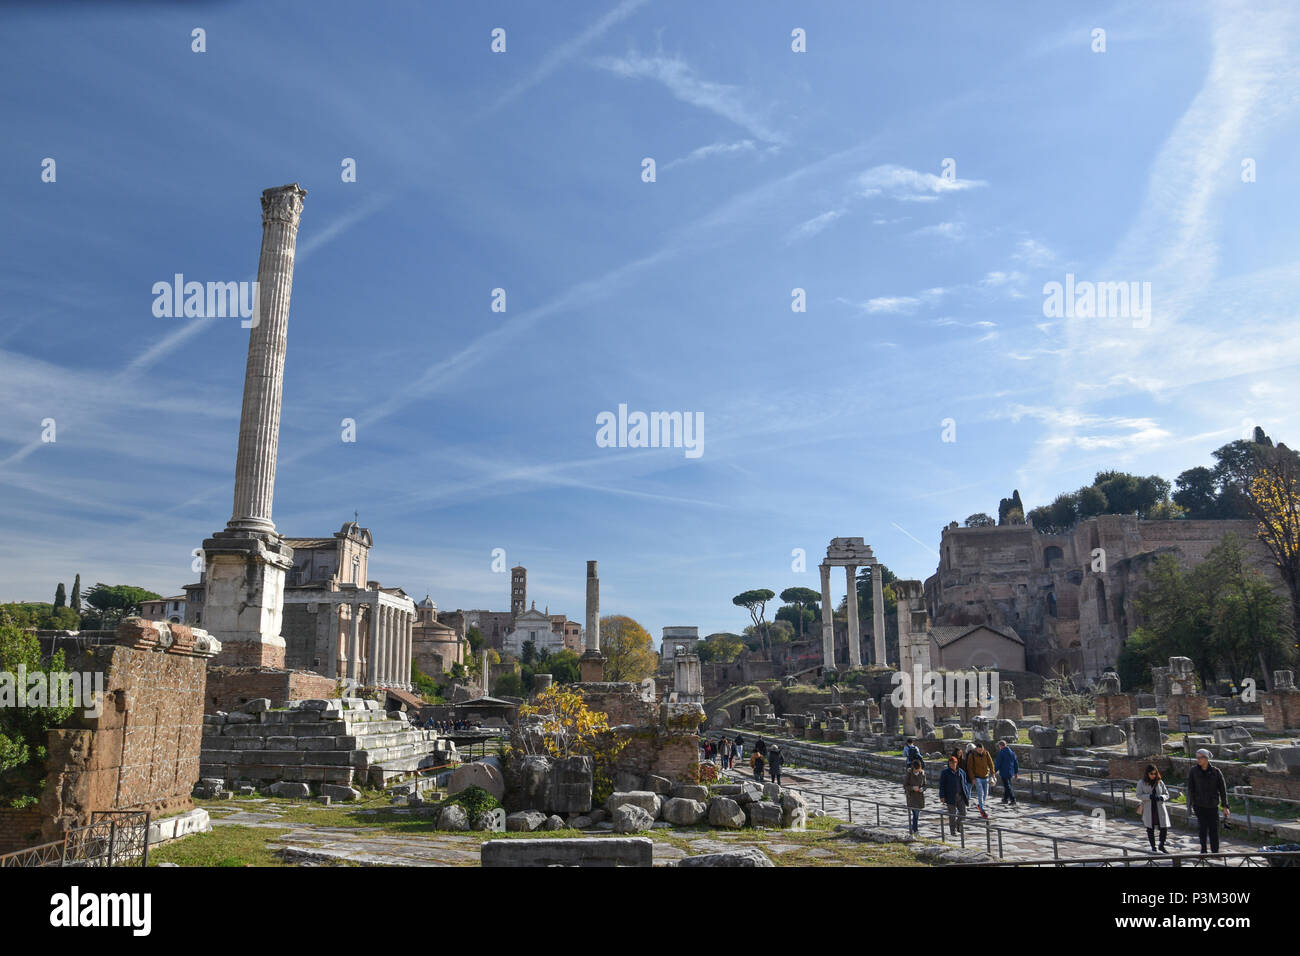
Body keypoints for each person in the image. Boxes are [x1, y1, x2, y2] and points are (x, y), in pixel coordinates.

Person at [1185, 749, 1229, 854]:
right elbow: (1190, 788)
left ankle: (1215, 851)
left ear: (1206, 758)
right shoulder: (1193, 771)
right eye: (1197, 758)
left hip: (1212, 805)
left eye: (1200, 757)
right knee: (1202, 829)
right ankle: (1203, 850)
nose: (1198, 760)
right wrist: (1190, 804)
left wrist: (1225, 806)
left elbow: (1223, 790)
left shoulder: (1216, 772)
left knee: (1214, 829)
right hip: (1199, 805)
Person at [1136, 764, 1171, 853]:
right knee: (1150, 828)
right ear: (1147, 773)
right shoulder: (1141, 782)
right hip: (1149, 808)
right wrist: (1149, 796)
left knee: (1164, 827)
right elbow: (1138, 795)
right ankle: (1153, 847)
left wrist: (1162, 797)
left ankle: (1161, 845)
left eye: (1155, 774)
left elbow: (1166, 794)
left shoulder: (1160, 782)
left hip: (1159, 807)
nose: (1153, 775)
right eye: (1151, 773)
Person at [937, 753, 969, 836]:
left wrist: (966, 794)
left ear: (956, 763)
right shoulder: (945, 773)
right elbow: (942, 785)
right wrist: (942, 796)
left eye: (954, 763)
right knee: (952, 815)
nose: (952, 765)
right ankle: (952, 831)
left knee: (963, 813)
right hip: (950, 796)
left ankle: (958, 825)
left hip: (960, 796)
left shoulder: (961, 772)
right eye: (951, 763)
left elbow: (964, 784)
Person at [967, 741, 995, 818]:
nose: (980, 751)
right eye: (979, 750)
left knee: (986, 793)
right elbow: (970, 768)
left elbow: (991, 763)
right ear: (976, 749)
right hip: (977, 777)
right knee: (980, 793)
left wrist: (992, 773)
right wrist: (972, 778)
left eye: (981, 750)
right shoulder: (972, 755)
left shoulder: (986, 753)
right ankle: (982, 810)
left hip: (985, 776)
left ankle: (980, 805)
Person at [904, 758, 926, 834]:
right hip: (912, 797)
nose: (917, 771)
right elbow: (905, 786)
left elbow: (925, 785)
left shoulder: (922, 774)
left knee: (917, 814)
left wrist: (922, 789)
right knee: (915, 813)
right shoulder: (909, 774)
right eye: (916, 769)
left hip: (919, 797)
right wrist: (912, 788)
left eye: (918, 769)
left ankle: (914, 829)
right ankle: (915, 830)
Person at [994, 739, 1019, 806]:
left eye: (999, 746)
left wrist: (994, 771)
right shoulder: (1012, 752)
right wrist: (1016, 772)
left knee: (1007, 786)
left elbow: (998, 763)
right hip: (1010, 771)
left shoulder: (1001, 752)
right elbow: (1016, 763)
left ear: (1001, 746)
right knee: (1007, 785)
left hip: (1004, 771)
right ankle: (1005, 799)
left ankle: (1013, 799)